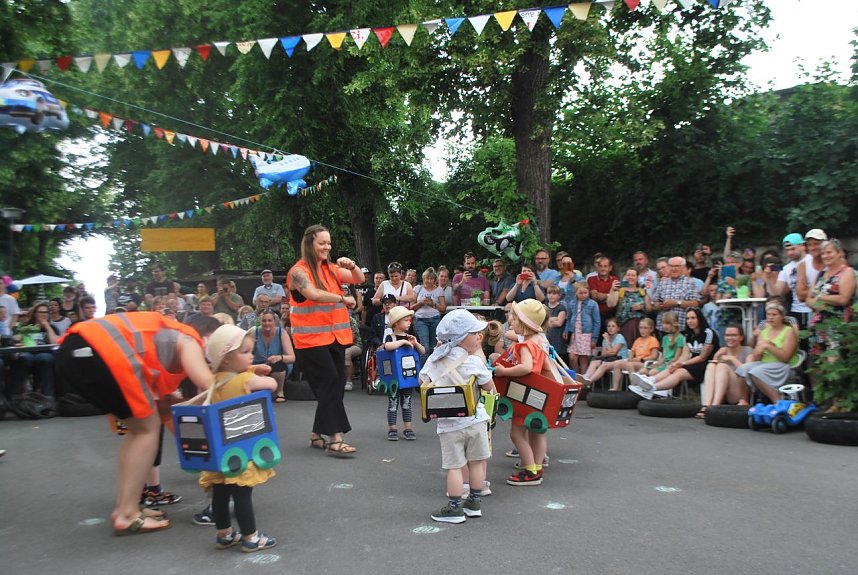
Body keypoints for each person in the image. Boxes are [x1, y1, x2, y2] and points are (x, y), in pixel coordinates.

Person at [55, 312, 214, 535]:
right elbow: (208, 384)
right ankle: (127, 514)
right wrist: (244, 378)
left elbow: (165, 410)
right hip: (101, 348)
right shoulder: (190, 339)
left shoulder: (163, 345)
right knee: (146, 431)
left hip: (75, 351)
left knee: (140, 430)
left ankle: (126, 507)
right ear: (207, 338)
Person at [199, 324, 278, 552]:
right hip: (241, 447)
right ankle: (251, 536)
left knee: (221, 492)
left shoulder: (214, 380)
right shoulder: (244, 380)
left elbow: (234, 376)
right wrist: (254, 373)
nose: (250, 356)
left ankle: (224, 533)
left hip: (219, 449)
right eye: (244, 353)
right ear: (225, 359)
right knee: (242, 493)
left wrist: (250, 367)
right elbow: (271, 384)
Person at [287, 224, 364, 457]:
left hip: (333, 337)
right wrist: (343, 298)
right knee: (330, 382)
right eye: (322, 243)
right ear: (310, 243)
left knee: (336, 385)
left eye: (329, 243)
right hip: (310, 340)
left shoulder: (330, 268)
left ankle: (316, 434)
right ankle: (335, 438)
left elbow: (358, 279)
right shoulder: (298, 272)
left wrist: (353, 265)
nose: (327, 247)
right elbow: (313, 294)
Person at [420, 309, 495, 522]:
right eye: (475, 334)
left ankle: (454, 508)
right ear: (463, 338)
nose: (478, 337)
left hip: (449, 424)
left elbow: (422, 383)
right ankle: (474, 503)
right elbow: (489, 387)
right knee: (478, 462)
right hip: (476, 419)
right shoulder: (474, 362)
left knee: (454, 466)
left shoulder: (434, 361)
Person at [494, 300, 550, 486]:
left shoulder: (524, 345)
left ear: (526, 324)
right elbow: (547, 368)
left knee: (517, 434)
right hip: (538, 396)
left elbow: (526, 368)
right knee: (537, 432)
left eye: (515, 319)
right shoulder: (540, 343)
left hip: (524, 395)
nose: (511, 322)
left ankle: (530, 470)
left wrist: (505, 372)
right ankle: (538, 465)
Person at [629, 308, 719, 400]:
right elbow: (685, 355)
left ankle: (651, 389)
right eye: (687, 318)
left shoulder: (708, 333)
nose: (690, 321)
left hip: (706, 365)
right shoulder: (688, 335)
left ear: (699, 318)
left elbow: (702, 357)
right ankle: (650, 381)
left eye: (693, 318)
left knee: (678, 372)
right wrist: (677, 364)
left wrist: (682, 363)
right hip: (691, 363)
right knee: (673, 367)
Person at [735, 301, 799, 403]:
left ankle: (777, 401)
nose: (770, 317)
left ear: (782, 316)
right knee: (742, 369)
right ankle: (743, 401)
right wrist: (757, 353)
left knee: (756, 372)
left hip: (782, 365)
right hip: (764, 364)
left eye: (774, 314)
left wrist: (769, 346)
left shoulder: (788, 331)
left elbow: (785, 357)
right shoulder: (764, 332)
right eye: (768, 314)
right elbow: (756, 357)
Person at [807, 238, 856, 356]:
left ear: (839, 253)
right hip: (819, 326)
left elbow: (844, 299)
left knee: (834, 362)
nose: (825, 256)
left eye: (829, 252)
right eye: (823, 253)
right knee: (819, 364)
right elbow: (808, 298)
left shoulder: (847, 272)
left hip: (837, 326)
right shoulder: (821, 274)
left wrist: (821, 298)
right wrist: (817, 304)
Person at [382, 306, 424, 441]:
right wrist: (404, 341)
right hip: (393, 378)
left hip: (408, 378)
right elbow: (387, 346)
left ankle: (408, 428)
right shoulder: (391, 337)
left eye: (409, 320)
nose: (409, 322)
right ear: (397, 323)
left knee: (407, 403)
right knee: (393, 403)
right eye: (406, 320)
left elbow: (422, 351)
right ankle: (392, 428)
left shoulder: (412, 337)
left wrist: (415, 343)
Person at [699, 324, 754, 416]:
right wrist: (717, 355)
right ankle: (707, 405)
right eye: (727, 335)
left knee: (722, 366)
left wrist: (732, 358)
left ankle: (714, 406)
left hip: (739, 393)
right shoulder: (723, 350)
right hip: (723, 393)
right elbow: (713, 368)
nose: (730, 338)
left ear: (741, 337)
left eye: (734, 335)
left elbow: (748, 373)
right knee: (711, 366)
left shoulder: (748, 351)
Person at [10, 302, 59, 397]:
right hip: (27, 353)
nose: (43, 314)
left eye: (46, 312)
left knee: (44, 358)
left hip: (45, 353)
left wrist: (47, 327)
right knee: (23, 359)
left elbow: (55, 343)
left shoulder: (52, 328)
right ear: (35, 313)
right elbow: (16, 341)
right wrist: (18, 339)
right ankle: (16, 396)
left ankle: (48, 397)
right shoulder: (25, 327)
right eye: (40, 312)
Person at [246, 309, 295, 403]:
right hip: (258, 364)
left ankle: (280, 392)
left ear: (274, 321)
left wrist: (279, 357)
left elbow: (292, 358)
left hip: (277, 365)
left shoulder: (281, 333)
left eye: (269, 320)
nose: (267, 323)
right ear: (260, 322)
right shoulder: (254, 333)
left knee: (279, 365)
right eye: (264, 321)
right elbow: (246, 353)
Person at [606, 318, 660, 391]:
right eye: (640, 328)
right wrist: (630, 358)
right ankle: (616, 388)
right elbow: (632, 352)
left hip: (645, 363)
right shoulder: (638, 340)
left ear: (651, 329)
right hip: (635, 362)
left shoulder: (653, 340)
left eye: (645, 328)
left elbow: (654, 356)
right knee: (616, 363)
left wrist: (640, 359)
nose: (642, 330)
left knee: (630, 365)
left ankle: (634, 387)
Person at [653, 256, 700, 334]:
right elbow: (655, 303)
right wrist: (661, 306)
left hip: (681, 327)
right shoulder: (662, 283)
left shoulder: (690, 282)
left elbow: (696, 303)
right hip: (663, 328)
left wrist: (676, 303)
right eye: (671, 266)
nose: (673, 269)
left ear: (683, 267)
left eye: (677, 266)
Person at [606, 267, 652, 346]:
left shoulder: (642, 290)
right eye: (628, 275)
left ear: (637, 277)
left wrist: (642, 307)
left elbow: (649, 309)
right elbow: (610, 304)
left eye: (633, 275)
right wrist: (612, 290)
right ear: (625, 277)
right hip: (625, 324)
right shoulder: (620, 289)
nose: (630, 277)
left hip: (640, 326)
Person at [562, 282, 600, 375]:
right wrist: (566, 330)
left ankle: (583, 379)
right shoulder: (572, 303)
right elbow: (569, 318)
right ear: (576, 293)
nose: (583, 295)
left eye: (585, 293)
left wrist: (594, 339)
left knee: (583, 358)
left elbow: (597, 322)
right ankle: (576, 375)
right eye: (580, 293)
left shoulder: (592, 304)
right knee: (572, 357)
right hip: (574, 333)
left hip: (586, 334)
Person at [577, 318, 628, 386]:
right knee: (594, 362)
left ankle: (589, 382)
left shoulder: (619, 337)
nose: (610, 328)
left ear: (618, 328)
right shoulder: (606, 338)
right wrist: (608, 350)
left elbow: (613, 353)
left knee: (604, 365)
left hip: (621, 361)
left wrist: (607, 341)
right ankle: (586, 377)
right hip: (610, 360)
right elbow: (603, 354)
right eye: (608, 326)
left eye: (613, 326)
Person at [413, 267, 446, 363]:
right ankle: (423, 372)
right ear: (423, 278)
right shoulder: (417, 288)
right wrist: (421, 303)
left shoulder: (439, 290)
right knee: (425, 347)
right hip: (420, 319)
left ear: (435, 279)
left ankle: (432, 370)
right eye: (427, 278)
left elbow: (443, 308)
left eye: (431, 278)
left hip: (435, 319)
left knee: (433, 347)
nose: (429, 281)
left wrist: (433, 304)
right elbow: (411, 307)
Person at [587, 255, 619, 328]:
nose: (603, 268)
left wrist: (605, 296)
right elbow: (595, 297)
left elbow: (615, 299)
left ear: (610, 268)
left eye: (605, 266)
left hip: (611, 315)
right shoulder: (591, 279)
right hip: (596, 314)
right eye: (600, 266)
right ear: (597, 268)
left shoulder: (615, 279)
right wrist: (610, 295)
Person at [544, 285, 567, 362]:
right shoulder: (545, 307)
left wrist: (547, 321)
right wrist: (554, 318)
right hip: (547, 336)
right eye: (549, 293)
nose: (551, 295)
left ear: (559, 295)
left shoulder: (561, 308)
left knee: (557, 358)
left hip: (557, 337)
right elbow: (541, 322)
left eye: (554, 294)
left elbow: (559, 323)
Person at [343, 315, 363, 391]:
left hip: (355, 345)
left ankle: (348, 381)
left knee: (346, 353)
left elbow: (351, 339)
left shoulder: (351, 320)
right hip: (339, 345)